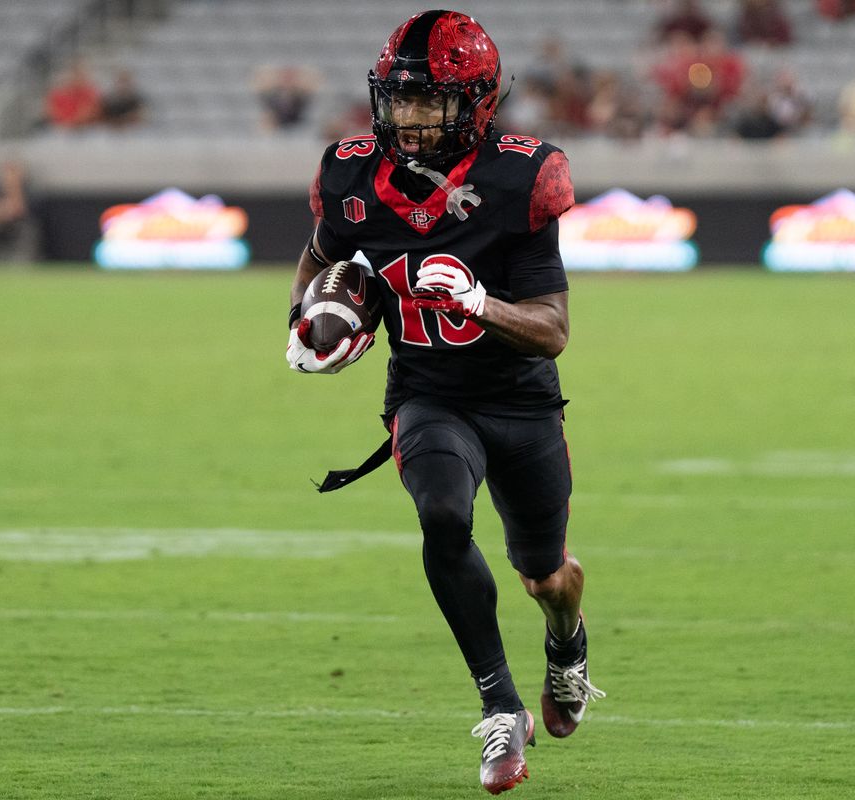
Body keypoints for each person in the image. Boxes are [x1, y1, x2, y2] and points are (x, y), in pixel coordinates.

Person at [283, 10, 605, 794]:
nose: (411, 119)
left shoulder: (523, 177)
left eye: (430, 103)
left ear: (478, 104)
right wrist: (314, 321)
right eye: (400, 101)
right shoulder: (352, 175)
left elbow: (554, 331)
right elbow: (319, 259)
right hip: (428, 396)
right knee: (441, 515)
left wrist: (480, 303)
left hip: (521, 402)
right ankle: (499, 709)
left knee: (545, 575)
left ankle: (566, 643)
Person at [45, 58, 101, 130]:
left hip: (86, 129)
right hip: (60, 129)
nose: (76, 77)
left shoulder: (90, 92)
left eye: (80, 74)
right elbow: (51, 110)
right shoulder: (58, 93)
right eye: (73, 74)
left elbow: (92, 110)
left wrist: (77, 120)